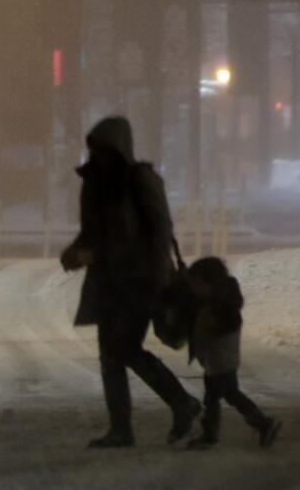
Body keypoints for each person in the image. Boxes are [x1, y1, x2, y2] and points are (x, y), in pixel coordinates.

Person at [61, 116, 201, 448]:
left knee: (124, 349)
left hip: (139, 281)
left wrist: (156, 277)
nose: (99, 155)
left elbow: (160, 231)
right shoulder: (95, 183)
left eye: (105, 148)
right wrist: (75, 254)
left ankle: (179, 403)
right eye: (95, 148)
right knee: (111, 356)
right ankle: (123, 427)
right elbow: (92, 232)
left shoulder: (139, 179)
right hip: (107, 282)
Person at [184, 256, 281, 450]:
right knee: (232, 395)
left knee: (212, 399)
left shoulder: (221, 308)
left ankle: (210, 436)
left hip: (219, 362)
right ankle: (262, 423)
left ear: (210, 283)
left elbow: (216, 329)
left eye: (197, 284)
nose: (193, 289)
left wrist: (204, 328)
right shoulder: (216, 302)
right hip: (221, 361)